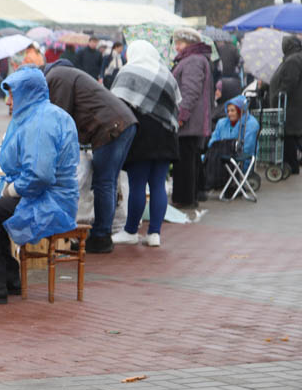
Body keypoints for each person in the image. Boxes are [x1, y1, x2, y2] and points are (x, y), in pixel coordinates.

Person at [0, 67, 79, 305]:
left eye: (13, 95)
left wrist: (10, 190)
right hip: (50, 195)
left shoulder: (41, 121)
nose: (9, 101)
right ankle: (9, 277)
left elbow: (40, 175)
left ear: (28, 93)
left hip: (52, 201)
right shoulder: (42, 114)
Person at [20, 43, 138, 253]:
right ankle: (103, 234)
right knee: (107, 182)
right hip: (122, 124)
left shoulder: (55, 78)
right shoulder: (61, 73)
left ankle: (101, 237)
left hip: (111, 127)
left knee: (104, 182)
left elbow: (59, 119)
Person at [109, 40, 181, 248]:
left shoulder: (128, 72)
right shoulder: (166, 74)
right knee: (159, 184)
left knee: (137, 184)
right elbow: (176, 104)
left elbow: (115, 102)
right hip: (166, 135)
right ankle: (155, 234)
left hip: (141, 135)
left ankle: (131, 231)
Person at [170, 27, 214, 208]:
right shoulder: (194, 59)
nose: (176, 47)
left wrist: (181, 116)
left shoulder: (192, 61)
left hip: (190, 122)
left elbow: (190, 91)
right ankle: (190, 197)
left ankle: (185, 199)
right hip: (193, 120)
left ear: (187, 44)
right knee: (190, 159)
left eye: (178, 43)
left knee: (185, 161)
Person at [202, 96, 259, 193]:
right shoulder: (221, 123)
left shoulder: (251, 124)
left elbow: (248, 148)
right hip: (221, 154)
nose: (229, 114)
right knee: (201, 159)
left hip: (239, 158)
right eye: (228, 111)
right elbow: (213, 140)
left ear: (240, 110)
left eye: (232, 110)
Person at [269, 35, 302, 175]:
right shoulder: (294, 58)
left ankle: (292, 165)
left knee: (289, 134)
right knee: (294, 136)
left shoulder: (293, 60)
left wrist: (278, 94)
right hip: (294, 104)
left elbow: (289, 81)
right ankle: (292, 164)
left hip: (291, 105)